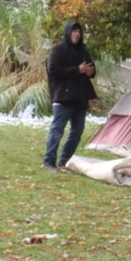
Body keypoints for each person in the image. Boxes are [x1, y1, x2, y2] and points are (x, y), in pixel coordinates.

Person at [44, 21, 96, 172]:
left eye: (79, 31)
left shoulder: (83, 51)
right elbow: (53, 70)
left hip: (80, 98)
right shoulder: (57, 50)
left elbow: (92, 69)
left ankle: (64, 162)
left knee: (77, 131)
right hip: (63, 97)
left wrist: (90, 72)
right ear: (68, 33)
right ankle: (49, 162)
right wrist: (77, 70)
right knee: (57, 130)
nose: (77, 34)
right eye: (74, 31)